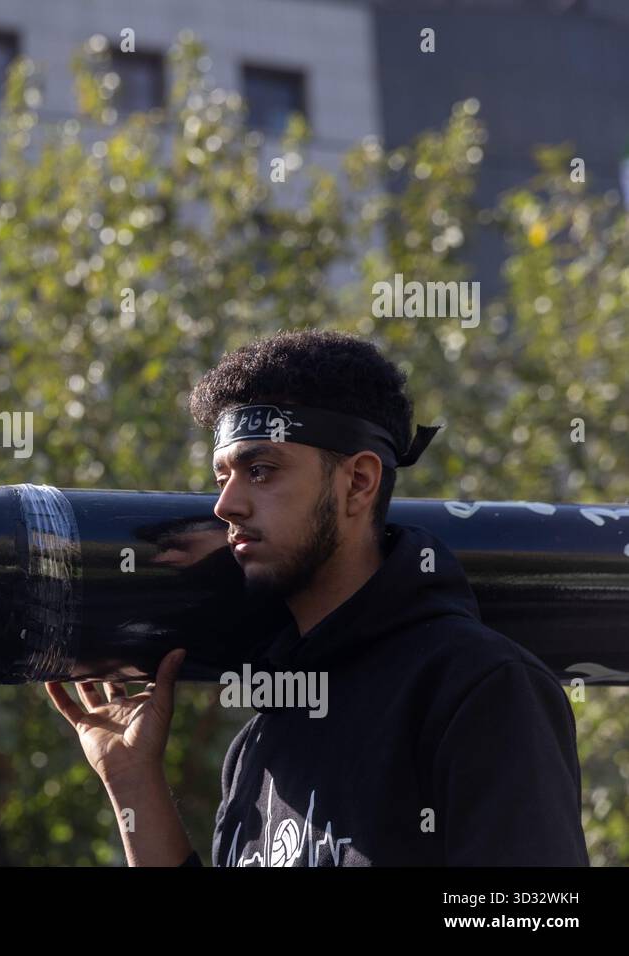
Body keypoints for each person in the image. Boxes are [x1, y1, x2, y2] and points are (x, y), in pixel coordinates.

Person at [45, 328, 589, 866]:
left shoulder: (479, 689)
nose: (226, 506)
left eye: (261, 470)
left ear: (357, 483)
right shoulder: (258, 744)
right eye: (222, 478)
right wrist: (133, 782)